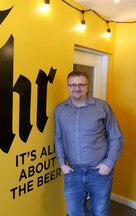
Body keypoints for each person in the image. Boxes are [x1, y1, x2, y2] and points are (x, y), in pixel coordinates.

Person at [54, 70, 124, 216]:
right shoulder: (60, 110)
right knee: (74, 212)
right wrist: (62, 164)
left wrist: (109, 163)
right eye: (72, 85)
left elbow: (116, 137)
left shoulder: (102, 107)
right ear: (67, 86)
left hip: (99, 172)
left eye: (81, 84)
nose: (77, 88)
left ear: (88, 86)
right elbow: (58, 138)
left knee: (100, 212)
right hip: (73, 172)